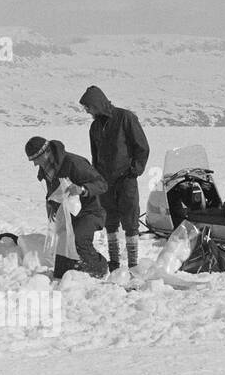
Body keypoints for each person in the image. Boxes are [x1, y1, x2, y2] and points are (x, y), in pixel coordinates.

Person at [79, 86, 150, 273]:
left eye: (88, 107)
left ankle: (133, 264)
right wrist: (96, 179)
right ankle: (115, 263)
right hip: (105, 181)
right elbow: (95, 156)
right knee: (110, 221)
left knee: (130, 220)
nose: (87, 111)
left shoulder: (125, 118)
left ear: (97, 104)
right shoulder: (94, 127)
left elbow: (142, 147)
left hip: (126, 179)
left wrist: (134, 170)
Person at [25, 137, 108, 279]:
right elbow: (56, 193)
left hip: (91, 212)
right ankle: (74, 271)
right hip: (68, 215)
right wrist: (51, 206)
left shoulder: (74, 163)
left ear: (45, 153)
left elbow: (102, 184)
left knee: (78, 238)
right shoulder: (47, 170)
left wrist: (82, 189)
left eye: (35, 159)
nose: (34, 164)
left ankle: (100, 269)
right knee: (61, 265)